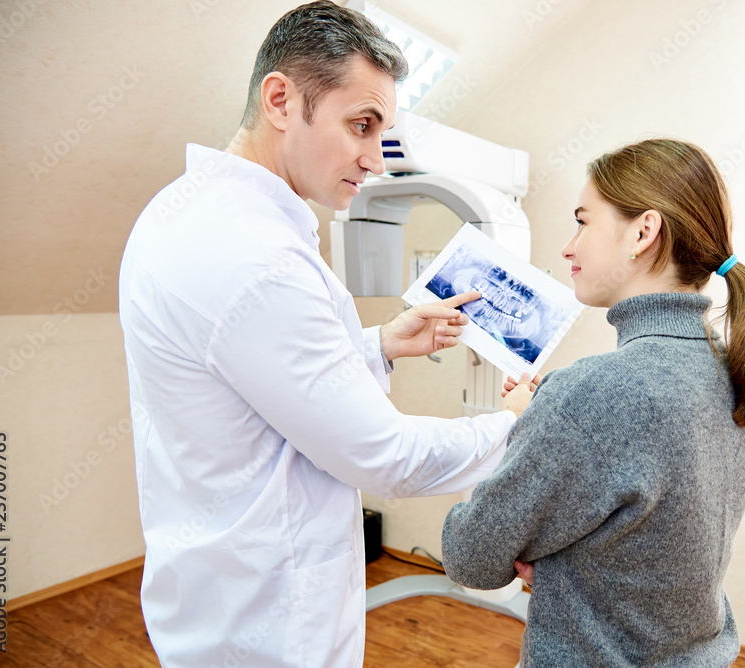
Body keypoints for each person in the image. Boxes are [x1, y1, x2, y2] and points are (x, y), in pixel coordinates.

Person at [117, 3, 533, 666]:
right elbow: (384, 456)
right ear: (281, 99)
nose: (376, 157)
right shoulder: (258, 259)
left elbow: (260, 384)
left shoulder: (178, 211)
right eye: (360, 126)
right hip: (271, 624)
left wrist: (379, 344)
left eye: (383, 131)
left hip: (208, 595)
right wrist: (511, 423)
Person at [441, 139, 745, 667]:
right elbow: (643, 549)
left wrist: (514, 429)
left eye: (583, 222)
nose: (568, 246)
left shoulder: (592, 393)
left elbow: (470, 557)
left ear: (644, 232)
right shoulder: (733, 373)